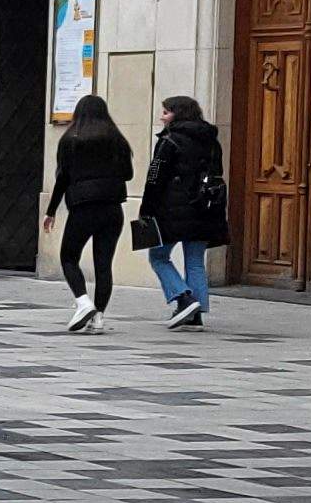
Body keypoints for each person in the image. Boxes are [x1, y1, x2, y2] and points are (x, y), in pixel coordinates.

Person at [45, 93, 134, 333]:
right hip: (112, 208)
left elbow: (62, 178)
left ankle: (83, 302)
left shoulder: (70, 140)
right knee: (103, 264)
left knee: (69, 257)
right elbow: (128, 174)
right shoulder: (117, 140)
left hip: (83, 207)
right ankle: (99, 318)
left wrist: (51, 210)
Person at [141, 94, 228, 330]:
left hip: (171, 209)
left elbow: (155, 176)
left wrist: (146, 210)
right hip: (205, 209)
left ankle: (183, 298)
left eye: (166, 112)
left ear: (178, 114)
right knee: (195, 261)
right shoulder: (212, 141)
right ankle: (195, 315)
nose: (162, 116)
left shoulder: (169, 140)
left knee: (158, 257)